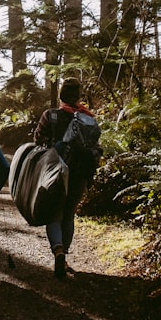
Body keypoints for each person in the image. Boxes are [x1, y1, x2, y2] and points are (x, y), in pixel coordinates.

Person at [33, 77, 102, 279]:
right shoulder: (89, 119)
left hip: (56, 173)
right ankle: (65, 255)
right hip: (80, 173)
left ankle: (58, 251)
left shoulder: (51, 115)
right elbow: (95, 147)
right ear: (78, 96)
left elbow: (38, 141)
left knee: (54, 213)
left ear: (61, 95)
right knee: (69, 213)